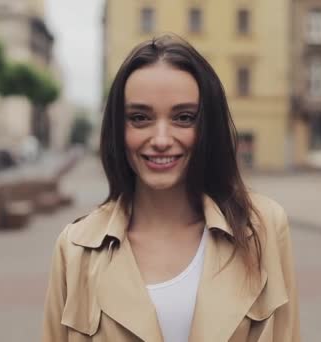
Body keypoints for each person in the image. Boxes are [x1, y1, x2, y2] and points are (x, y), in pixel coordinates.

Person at [42, 35, 301, 342]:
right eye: (140, 118)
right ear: (118, 129)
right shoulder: (75, 248)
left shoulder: (263, 228)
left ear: (207, 126)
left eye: (183, 118)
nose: (162, 138)